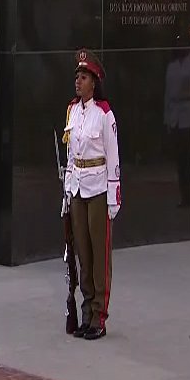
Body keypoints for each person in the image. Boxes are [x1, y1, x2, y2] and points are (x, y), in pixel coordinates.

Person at [62, 49, 121, 341]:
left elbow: (113, 157)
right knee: (82, 253)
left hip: (98, 187)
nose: (78, 82)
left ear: (94, 82)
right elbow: (71, 155)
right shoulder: (73, 110)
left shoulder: (104, 114)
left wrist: (114, 197)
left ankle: (100, 315)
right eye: (77, 77)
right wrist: (66, 192)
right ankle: (85, 313)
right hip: (77, 187)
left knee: (99, 256)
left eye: (83, 77)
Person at [163, 48, 190, 208]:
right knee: (181, 162)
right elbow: (168, 95)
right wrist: (167, 119)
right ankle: (185, 197)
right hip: (176, 117)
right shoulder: (172, 67)